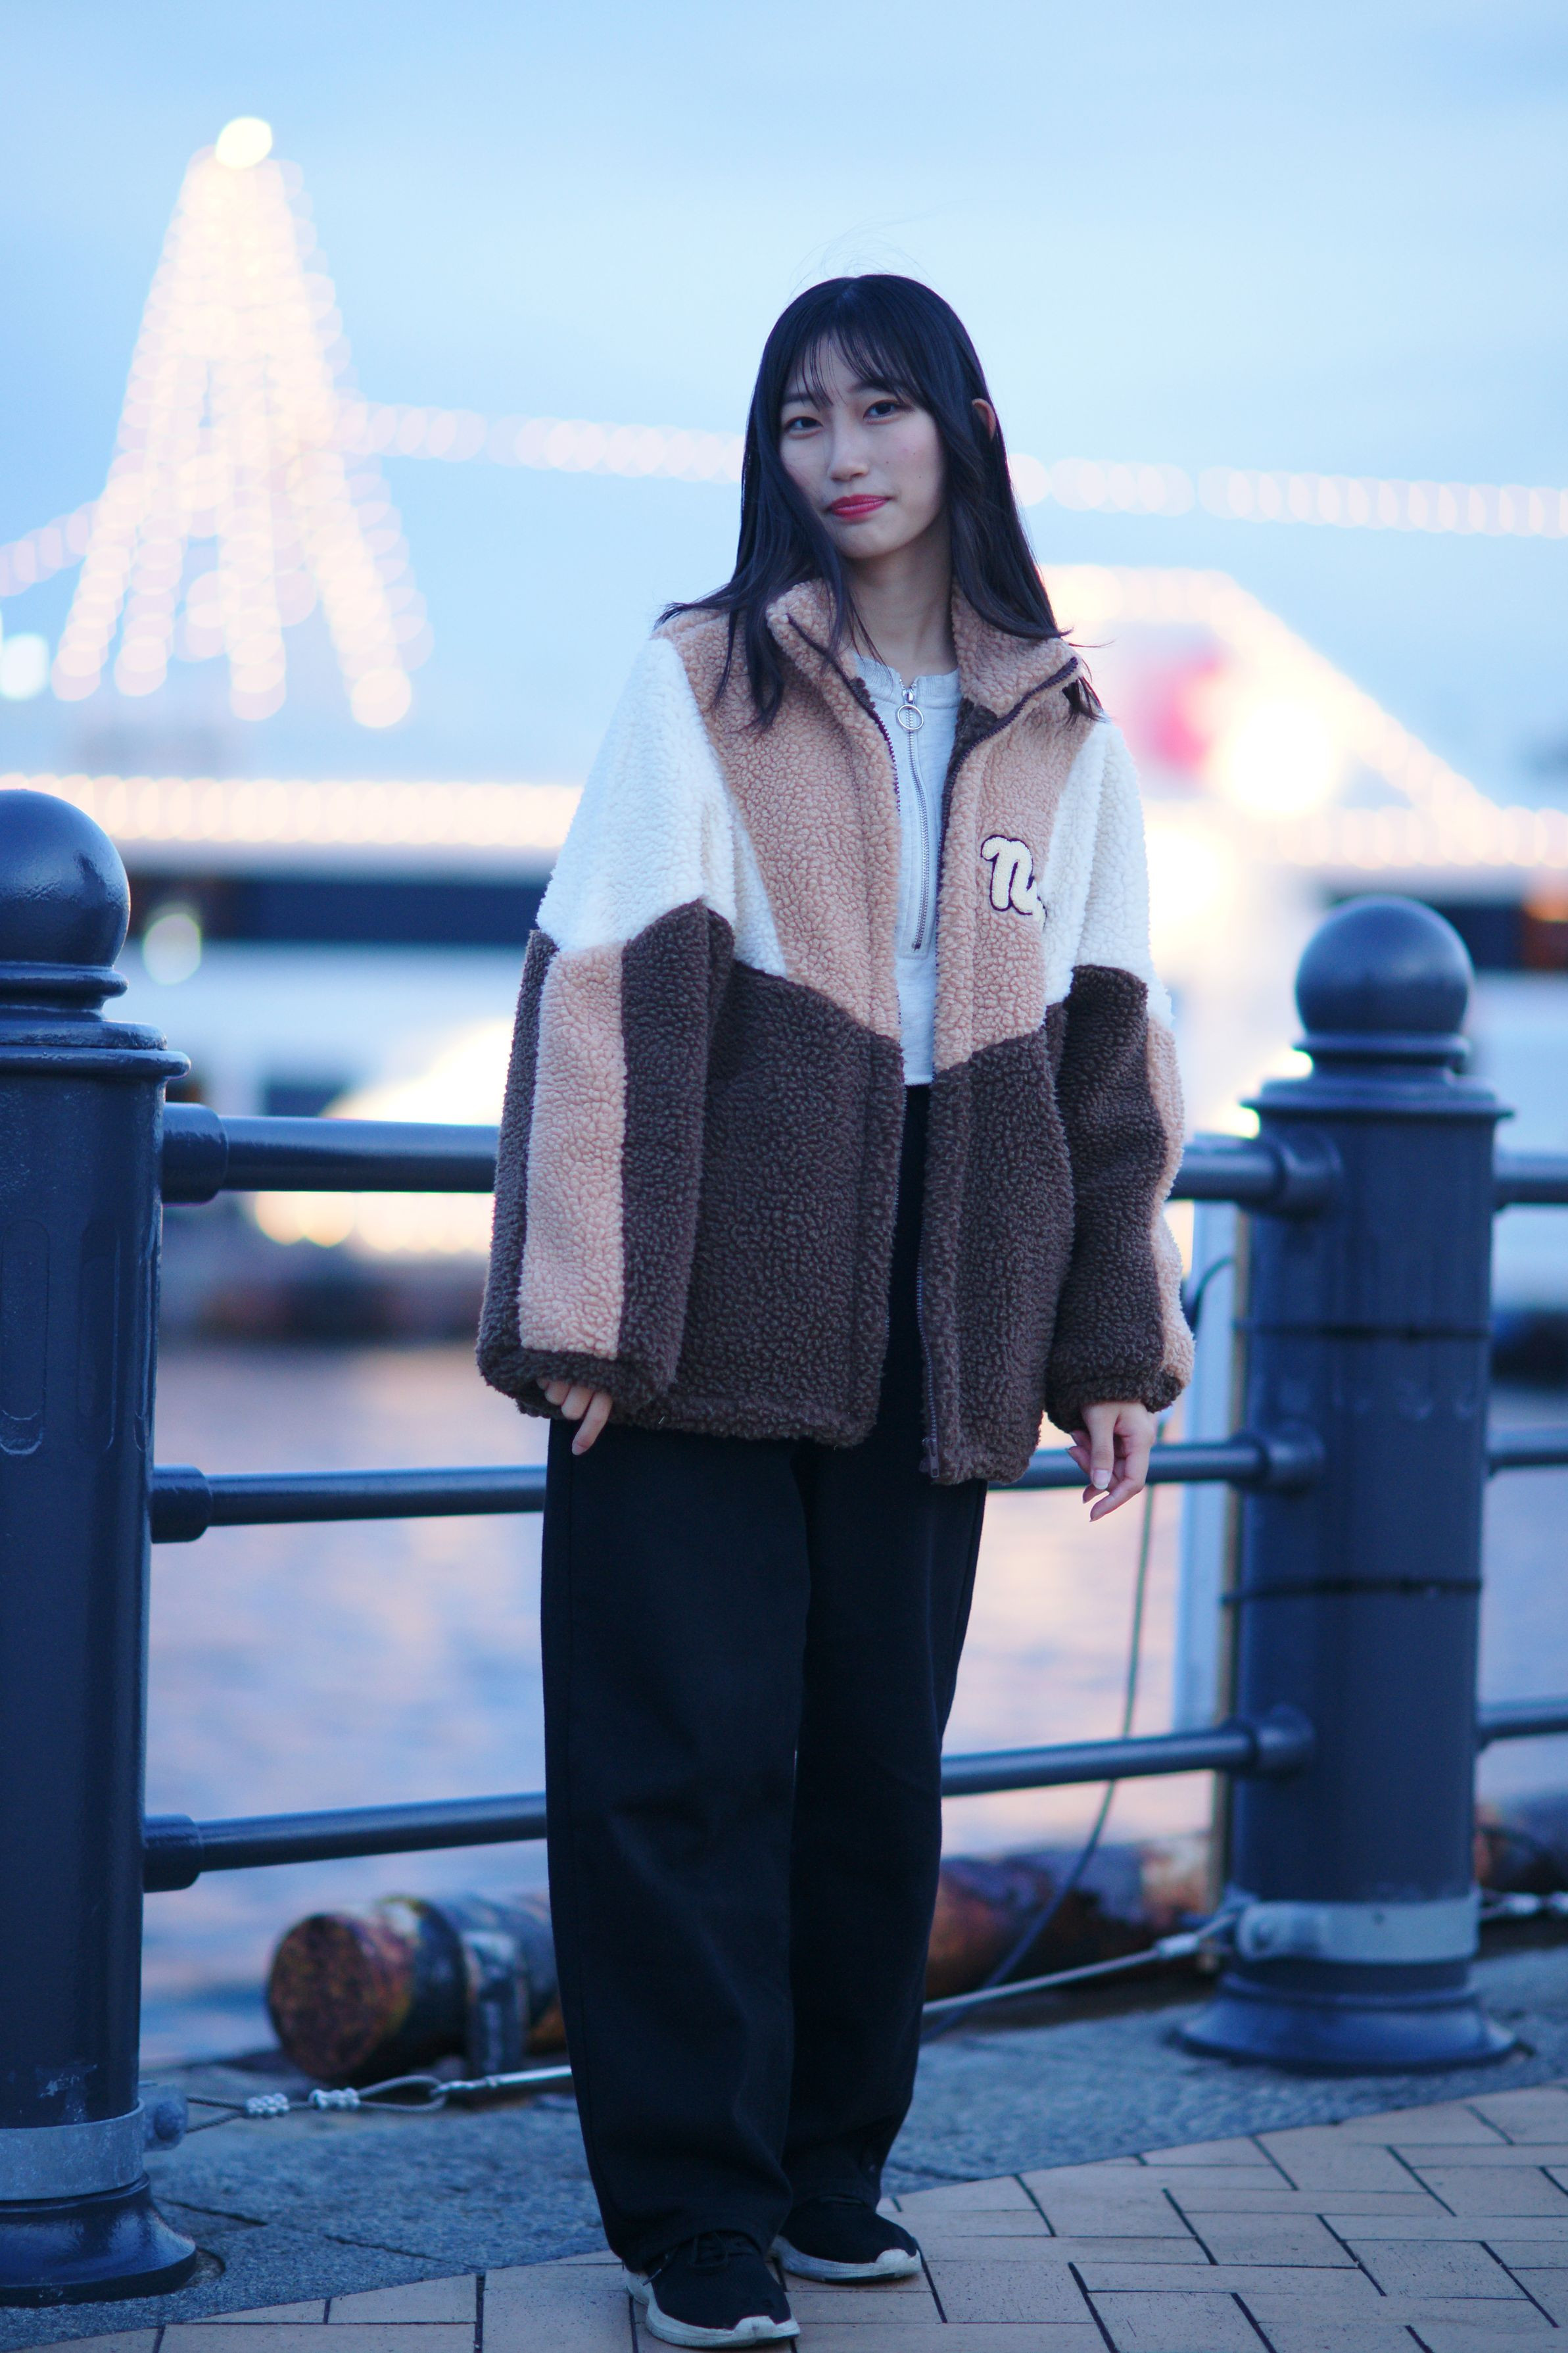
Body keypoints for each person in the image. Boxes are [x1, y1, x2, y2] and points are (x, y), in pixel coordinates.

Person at [480, 274, 1191, 2350]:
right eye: (801, 418)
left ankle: (823, 2169)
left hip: (941, 1308)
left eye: (879, 408)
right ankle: (694, 2210)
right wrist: (586, 1308)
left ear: (965, 427)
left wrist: (1106, 1346)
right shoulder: (702, 676)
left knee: (874, 1765)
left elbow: (1112, 1052)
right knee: (677, 1763)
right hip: (701, 1295)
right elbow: (600, 990)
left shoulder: (1060, 720)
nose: (841, 454)